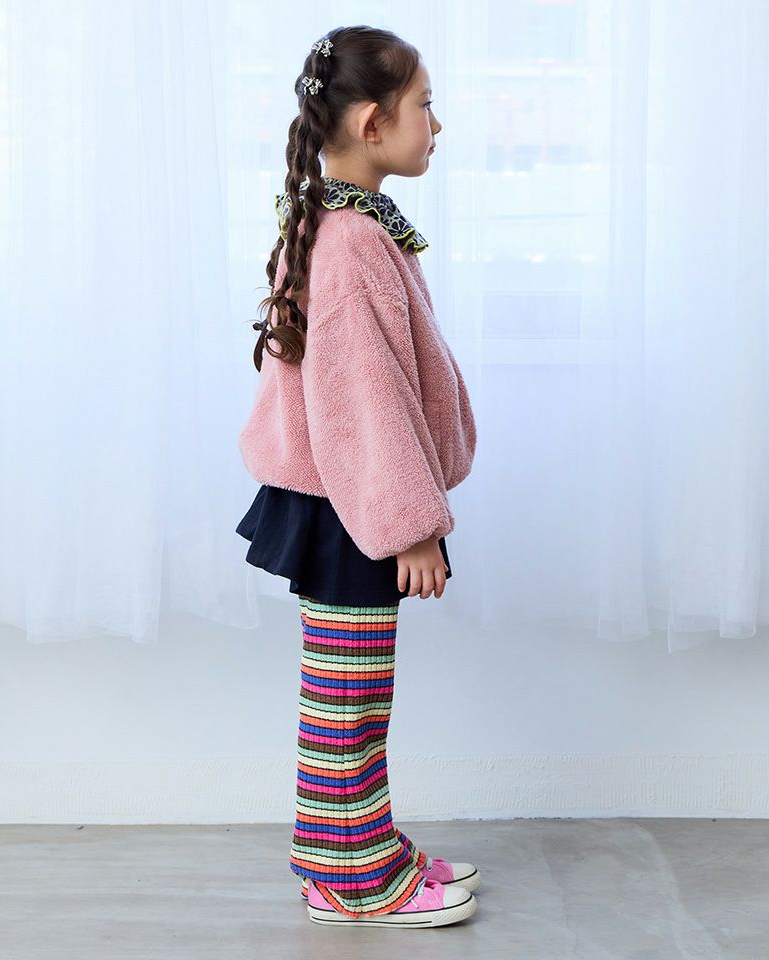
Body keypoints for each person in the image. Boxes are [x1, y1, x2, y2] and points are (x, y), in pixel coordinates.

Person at [236, 25, 479, 929]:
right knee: (348, 698)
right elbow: (364, 396)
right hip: (355, 503)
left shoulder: (344, 221)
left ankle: (359, 846)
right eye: (425, 107)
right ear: (374, 122)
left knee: (353, 693)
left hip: (346, 498)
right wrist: (413, 524)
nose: (437, 126)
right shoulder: (349, 240)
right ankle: (349, 881)